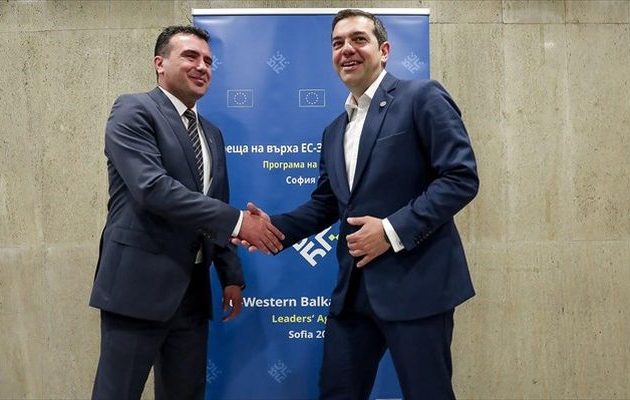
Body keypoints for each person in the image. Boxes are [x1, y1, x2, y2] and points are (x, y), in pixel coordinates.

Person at [239, 9, 479, 399]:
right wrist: (273, 229)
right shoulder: (335, 130)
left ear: (384, 50)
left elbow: (460, 178)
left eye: (358, 39)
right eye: (337, 43)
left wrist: (390, 231)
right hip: (353, 294)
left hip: (416, 285)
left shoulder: (422, 97)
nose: (346, 49)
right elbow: (326, 203)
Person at [89, 25, 284, 400]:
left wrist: (230, 276)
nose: (202, 67)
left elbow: (217, 204)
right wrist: (241, 223)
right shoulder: (133, 109)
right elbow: (152, 189)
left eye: (208, 61)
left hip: (192, 292)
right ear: (159, 63)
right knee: (118, 392)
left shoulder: (211, 133)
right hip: (136, 287)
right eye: (190, 56)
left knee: (185, 393)